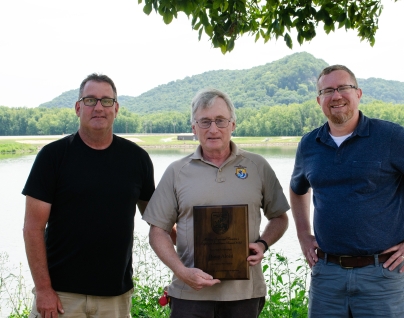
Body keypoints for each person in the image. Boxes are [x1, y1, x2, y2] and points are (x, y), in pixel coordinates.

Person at [289, 65, 404, 317]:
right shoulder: (310, 144)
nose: (336, 96)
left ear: (359, 93)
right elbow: (298, 189)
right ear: (319, 99)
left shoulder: (389, 136)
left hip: (382, 275)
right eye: (328, 90)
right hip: (327, 275)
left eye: (344, 88)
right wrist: (302, 234)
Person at [143, 88, 290, 318]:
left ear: (233, 124)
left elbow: (280, 217)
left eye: (220, 120)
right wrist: (182, 272)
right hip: (189, 295)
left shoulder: (257, 166)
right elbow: (157, 231)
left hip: (245, 295)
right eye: (205, 122)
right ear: (193, 128)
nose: (213, 129)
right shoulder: (176, 172)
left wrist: (262, 244)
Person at [22, 73, 155, 318]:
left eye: (106, 101)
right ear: (78, 107)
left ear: (116, 108)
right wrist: (43, 290)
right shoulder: (52, 157)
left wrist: (197, 238)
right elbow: (32, 228)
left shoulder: (137, 159)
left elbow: (157, 220)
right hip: (61, 296)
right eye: (90, 100)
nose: (98, 107)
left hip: (115, 297)